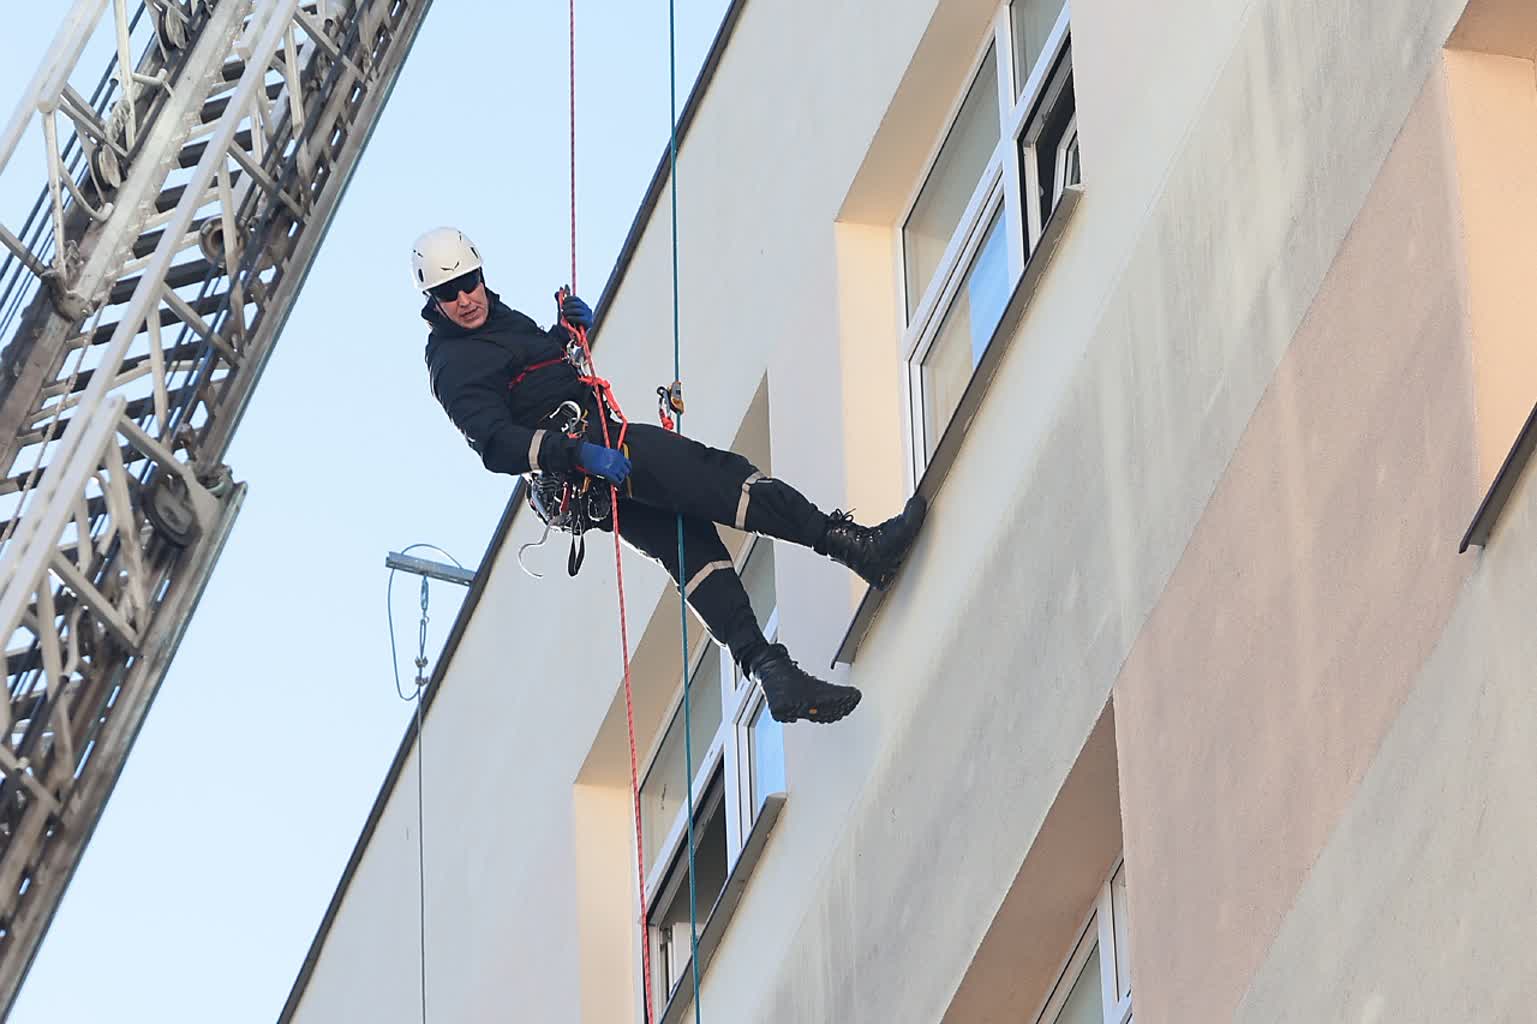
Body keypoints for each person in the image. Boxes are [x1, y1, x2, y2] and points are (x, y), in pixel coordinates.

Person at [413, 227, 926, 724]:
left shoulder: (499, 320)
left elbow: (532, 381)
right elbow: (496, 443)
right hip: (592, 455)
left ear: (481, 274)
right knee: (720, 479)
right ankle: (857, 548)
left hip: (591, 466)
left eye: (469, 283)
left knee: (692, 549)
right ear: (433, 302)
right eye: (448, 293)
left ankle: (773, 674)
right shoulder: (452, 363)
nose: (465, 299)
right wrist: (578, 454)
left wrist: (563, 335)